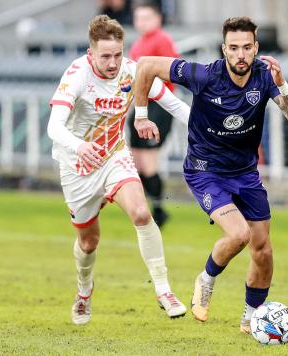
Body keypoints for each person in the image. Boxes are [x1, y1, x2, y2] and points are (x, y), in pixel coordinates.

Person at [132, 17, 288, 333]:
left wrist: (283, 84)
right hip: (205, 171)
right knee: (239, 234)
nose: (241, 54)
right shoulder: (204, 75)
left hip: (245, 173)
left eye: (247, 47)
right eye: (234, 48)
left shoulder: (266, 78)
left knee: (263, 250)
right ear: (224, 49)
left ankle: (251, 319)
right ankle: (207, 278)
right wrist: (141, 116)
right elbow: (145, 66)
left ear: (256, 48)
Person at [46, 15, 190, 325]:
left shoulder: (131, 71)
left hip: (114, 156)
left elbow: (172, 103)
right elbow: (53, 127)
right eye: (105, 56)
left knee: (141, 213)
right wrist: (79, 146)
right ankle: (84, 292)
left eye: (117, 54)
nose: (113, 63)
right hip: (78, 165)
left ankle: (165, 291)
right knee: (89, 242)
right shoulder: (77, 75)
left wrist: (205, 128)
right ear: (91, 54)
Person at [126, 1, 179, 228]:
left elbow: (173, 73)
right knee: (136, 162)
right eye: (139, 18)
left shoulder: (162, 40)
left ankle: (158, 209)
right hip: (141, 105)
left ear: (158, 19)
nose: (142, 23)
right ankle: (149, 207)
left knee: (148, 162)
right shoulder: (137, 44)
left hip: (157, 106)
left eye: (147, 17)